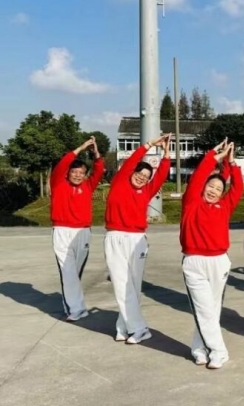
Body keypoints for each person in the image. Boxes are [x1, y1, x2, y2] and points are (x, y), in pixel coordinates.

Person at [180, 140, 242, 369]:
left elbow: (238, 188)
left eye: (218, 188)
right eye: (210, 186)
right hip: (194, 262)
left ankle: (199, 349)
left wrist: (231, 162)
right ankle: (218, 351)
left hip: (219, 261)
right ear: (203, 187)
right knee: (203, 309)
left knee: (211, 310)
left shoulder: (224, 206)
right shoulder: (191, 202)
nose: (213, 191)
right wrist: (213, 157)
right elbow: (197, 178)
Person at [104, 133, 172, 344]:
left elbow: (161, 174)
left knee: (132, 285)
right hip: (115, 237)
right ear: (132, 172)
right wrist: (150, 144)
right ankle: (137, 328)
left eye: (146, 177)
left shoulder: (147, 190)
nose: (142, 178)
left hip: (137, 240)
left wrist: (166, 153)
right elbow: (132, 161)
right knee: (120, 283)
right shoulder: (120, 182)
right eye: (139, 173)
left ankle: (126, 327)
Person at [50, 136, 105, 322]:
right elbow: (62, 165)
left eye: (81, 172)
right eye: (74, 172)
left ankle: (78, 306)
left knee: (75, 272)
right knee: (68, 271)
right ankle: (75, 309)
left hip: (83, 232)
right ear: (68, 173)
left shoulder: (88, 186)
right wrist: (81, 147)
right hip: (62, 231)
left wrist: (96, 154)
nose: (78, 175)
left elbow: (99, 170)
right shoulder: (58, 183)